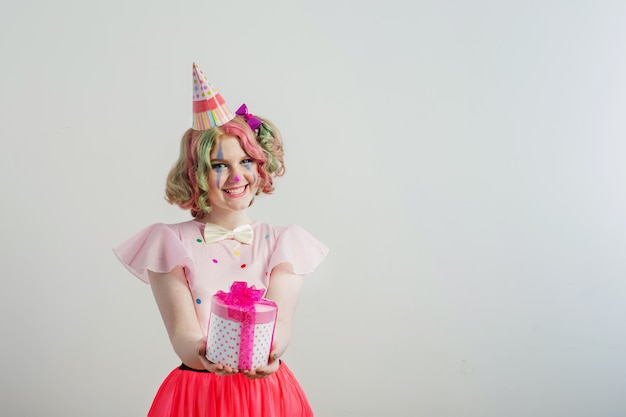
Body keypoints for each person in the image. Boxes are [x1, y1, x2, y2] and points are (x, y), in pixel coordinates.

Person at [113, 63, 328, 417]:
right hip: (198, 393)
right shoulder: (168, 242)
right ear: (196, 174)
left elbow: (281, 324)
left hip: (266, 395)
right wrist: (203, 353)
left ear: (260, 166)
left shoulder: (285, 242)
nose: (236, 175)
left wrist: (270, 354)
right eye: (218, 165)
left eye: (245, 160)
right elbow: (182, 330)